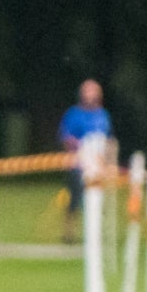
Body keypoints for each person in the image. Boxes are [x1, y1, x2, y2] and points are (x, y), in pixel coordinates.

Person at [59, 79, 111, 243]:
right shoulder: (74, 114)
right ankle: (69, 233)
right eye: (87, 91)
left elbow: (108, 138)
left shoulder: (103, 115)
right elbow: (66, 137)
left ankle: (95, 232)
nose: (90, 95)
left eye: (93, 91)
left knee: (97, 198)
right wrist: (81, 145)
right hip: (78, 163)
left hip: (98, 165)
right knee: (75, 199)